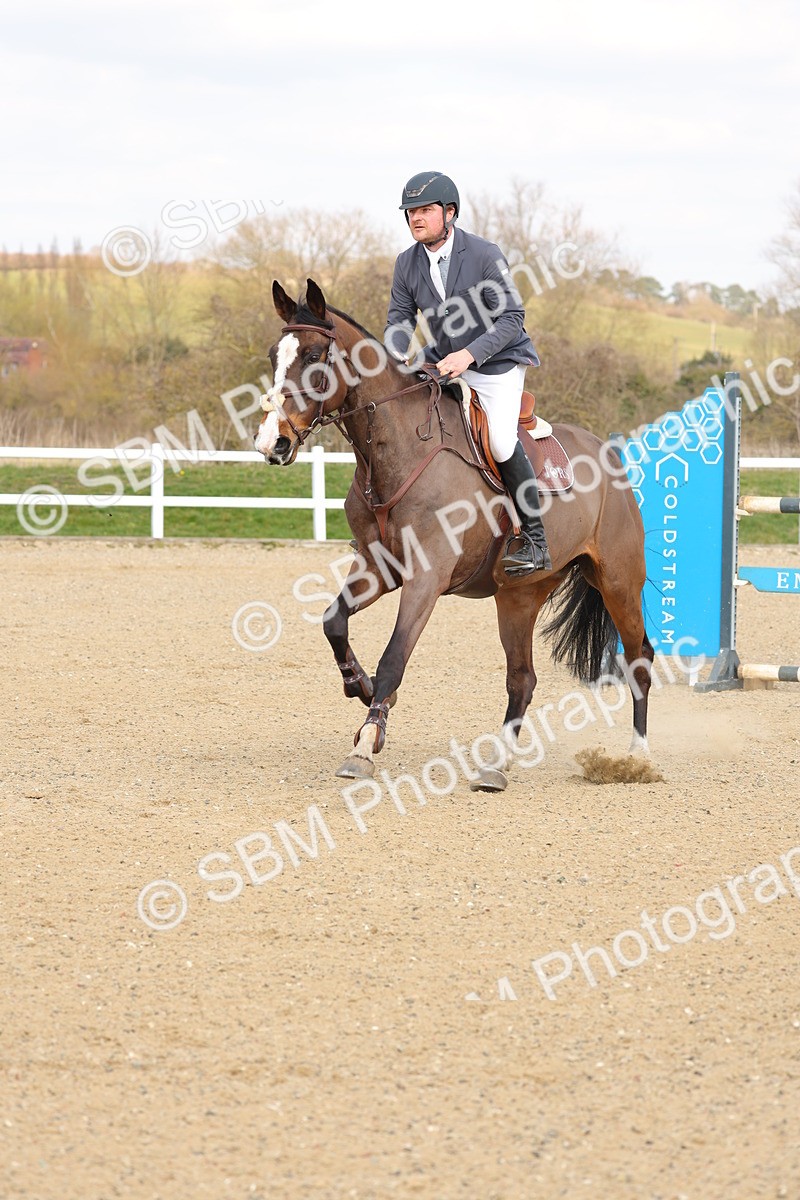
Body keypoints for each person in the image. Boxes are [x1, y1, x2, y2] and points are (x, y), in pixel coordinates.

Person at [384, 170, 552, 574]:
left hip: (497, 362)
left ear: (450, 212)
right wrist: (395, 356)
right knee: (403, 419)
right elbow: (400, 321)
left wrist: (469, 355)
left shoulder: (483, 254)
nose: (415, 218)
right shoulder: (406, 263)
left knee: (500, 443)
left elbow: (512, 318)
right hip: (442, 362)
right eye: (410, 212)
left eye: (425, 210)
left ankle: (535, 540)